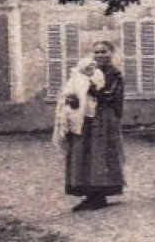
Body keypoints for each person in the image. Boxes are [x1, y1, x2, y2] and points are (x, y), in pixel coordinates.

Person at [53, 40, 125, 212]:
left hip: (104, 117)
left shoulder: (114, 74)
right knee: (83, 153)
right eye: (97, 52)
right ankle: (88, 192)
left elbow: (109, 96)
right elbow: (75, 89)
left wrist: (89, 88)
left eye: (104, 52)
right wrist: (73, 98)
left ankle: (99, 194)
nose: (100, 55)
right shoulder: (86, 70)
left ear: (111, 53)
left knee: (99, 153)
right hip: (84, 117)